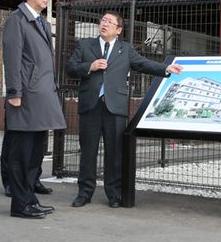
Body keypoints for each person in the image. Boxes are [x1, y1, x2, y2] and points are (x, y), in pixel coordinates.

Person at [66, 11, 183, 208]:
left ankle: (114, 194)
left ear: (118, 30)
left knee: (115, 153)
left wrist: (165, 69)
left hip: (115, 107)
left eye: (109, 22)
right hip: (90, 106)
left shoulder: (125, 49)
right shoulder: (85, 45)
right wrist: (90, 66)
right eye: (103, 20)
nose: (104, 23)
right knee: (88, 152)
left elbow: (143, 64)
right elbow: (69, 67)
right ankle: (84, 193)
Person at [2, 0, 66, 219]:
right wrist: (14, 93)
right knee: (21, 153)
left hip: (41, 97)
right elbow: (12, 60)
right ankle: (20, 204)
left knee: (35, 153)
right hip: (26, 97)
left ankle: (29, 198)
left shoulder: (41, 22)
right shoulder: (17, 21)